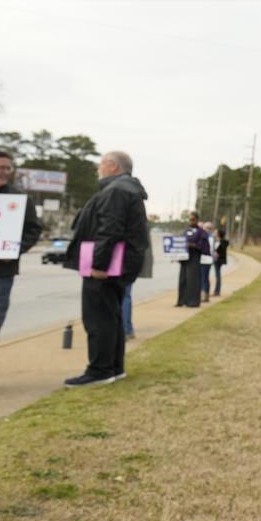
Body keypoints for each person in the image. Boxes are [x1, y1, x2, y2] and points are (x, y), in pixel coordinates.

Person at [63, 151, 148, 387]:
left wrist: (99, 264)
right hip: (119, 262)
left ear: (112, 166)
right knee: (111, 315)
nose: (98, 169)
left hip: (106, 265)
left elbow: (110, 229)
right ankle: (114, 367)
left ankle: (100, 370)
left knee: (98, 317)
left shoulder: (117, 190)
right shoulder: (125, 189)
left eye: (100, 164)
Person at [0, 150, 42, 390]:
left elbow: (32, 231)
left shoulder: (18, 199)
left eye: (9, 168)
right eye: (0, 167)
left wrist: (14, 250)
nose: (6, 172)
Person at [176, 212, 208, 308]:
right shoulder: (186, 230)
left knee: (192, 280)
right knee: (183, 280)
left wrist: (193, 245)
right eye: (190, 219)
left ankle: (192, 302)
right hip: (184, 259)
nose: (191, 221)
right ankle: (182, 301)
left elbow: (204, 246)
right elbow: (179, 242)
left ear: (197, 220)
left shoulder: (201, 232)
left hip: (194, 259)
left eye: (193, 219)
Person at [199, 221, 215, 302]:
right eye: (206, 227)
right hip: (203, 260)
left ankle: (205, 295)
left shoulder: (209, 237)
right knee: (203, 278)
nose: (207, 229)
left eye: (209, 228)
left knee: (204, 278)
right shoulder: (204, 236)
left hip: (206, 260)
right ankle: (204, 295)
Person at [213, 227, 228, 297]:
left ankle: (217, 291)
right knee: (217, 275)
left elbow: (219, 251)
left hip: (218, 260)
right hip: (218, 260)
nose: (215, 234)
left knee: (218, 276)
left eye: (216, 233)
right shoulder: (220, 241)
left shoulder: (221, 242)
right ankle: (217, 291)